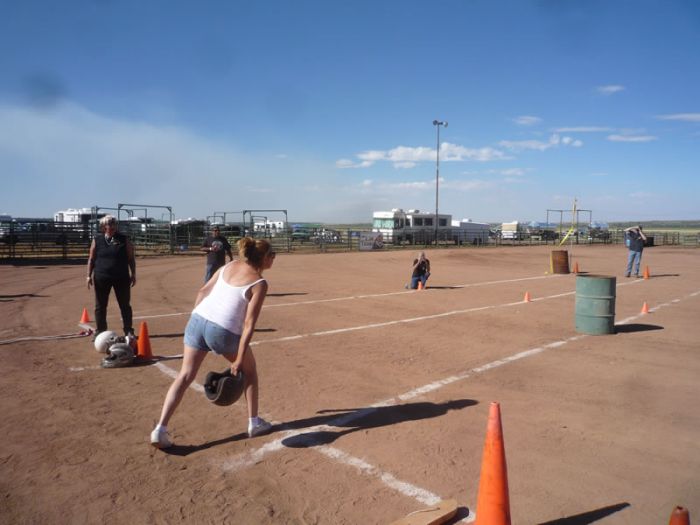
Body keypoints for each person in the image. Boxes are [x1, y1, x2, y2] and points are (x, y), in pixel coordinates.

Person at [150, 237, 276, 448]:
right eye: (272, 255)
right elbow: (248, 325)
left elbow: (202, 292)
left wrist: (197, 319)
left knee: (185, 375)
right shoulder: (259, 283)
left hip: (198, 319)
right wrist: (238, 361)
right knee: (250, 371)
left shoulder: (229, 265)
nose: (274, 258)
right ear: (263, 258)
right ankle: (254, 423)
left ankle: (159, 430)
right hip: (223, 331)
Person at [86, 215, 136, 337]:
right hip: (101, 277)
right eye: (109, 224)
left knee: (125, 305)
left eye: (114, 224)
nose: (112, 226)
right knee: (100, 306)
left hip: (121, 278)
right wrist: (88, 275)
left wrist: (133, 274)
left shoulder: (124, 239)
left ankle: (128, 330)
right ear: (103, 227)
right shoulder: (97, 240)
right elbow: (91, 259)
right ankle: (101, 331)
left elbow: (131, 258)